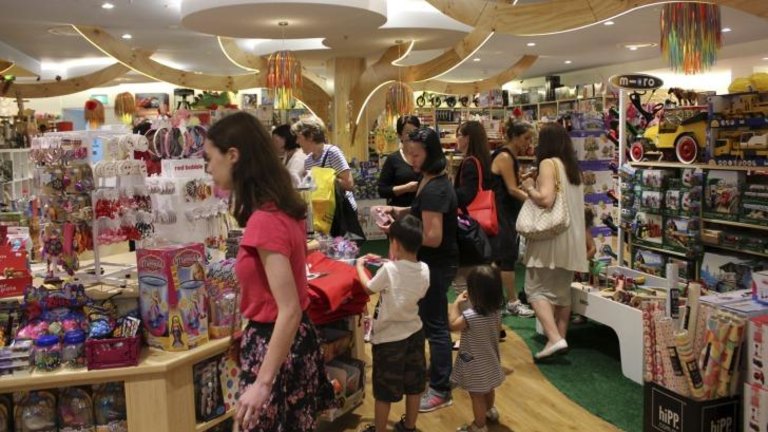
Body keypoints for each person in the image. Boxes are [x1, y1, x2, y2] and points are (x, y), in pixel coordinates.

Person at [204, 112, 335, 431]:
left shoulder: (265, 219)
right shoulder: (280, 208)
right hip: (288, 342)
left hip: (276, 347)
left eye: (210, 158)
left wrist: (263, 382)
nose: (208, 168)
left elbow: (287, 309)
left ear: (233, 155)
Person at [380, 126, 458, 413]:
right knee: (428, 321)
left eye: (416, 154)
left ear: (431, 153)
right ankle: (436, 377)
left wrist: (398, 232)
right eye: (408, 153)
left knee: (435, 325)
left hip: (436, 265)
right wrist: (396, 213)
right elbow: (419, 213)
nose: (411, 159)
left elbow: (433, 236)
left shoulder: (436, 186)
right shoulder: (428, 178)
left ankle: (441, 388)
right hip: (429, 264)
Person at [520, 122, 588, 360]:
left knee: (534, 289)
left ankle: (555, 338)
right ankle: (558, 340)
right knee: (560, 293)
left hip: (551, 238)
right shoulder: (573, 170)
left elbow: (545, 199)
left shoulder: (548, 164)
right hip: (572, 239)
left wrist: (529, 187)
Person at [355, 215, 430, 432]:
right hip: (415, 333)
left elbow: (368, 287)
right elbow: (409, 280)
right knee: (415, 386)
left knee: (384, 391)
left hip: (389, 339)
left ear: (395, 244)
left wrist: (360, 264)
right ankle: (409, 426)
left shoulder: (389, 271)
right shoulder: (425, 268)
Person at [449, 265, 505, 432]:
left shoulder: (470, 316)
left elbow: (452, 325)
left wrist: (456, 305)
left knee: (476, 394)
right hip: (490, 358)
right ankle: (490, 411)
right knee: (488, 388)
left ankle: (479, 426)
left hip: (474, 362)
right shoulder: (496, 312)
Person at [491, 120, 536, 317]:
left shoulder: (508, 156)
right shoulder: (505, 156)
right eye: (526, 138)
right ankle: (512, 302)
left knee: (499, 258)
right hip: (502, 212)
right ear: (515, 136)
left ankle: (496, 299)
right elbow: (511, 189)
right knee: (506, 257)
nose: (528, 143)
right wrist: (536, 201)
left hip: (504, 211)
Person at [293, 117, 356, 210]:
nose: (297, 142)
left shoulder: (332, 153)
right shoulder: (308, 161)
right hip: (323, 213)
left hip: (341, 213)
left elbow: (349, 184)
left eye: (299, 137)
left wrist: (322, 178)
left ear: (310, 136)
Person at [377, 115, 421, 207]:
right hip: (399, 214)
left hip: (424, 212)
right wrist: (406, 188)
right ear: (400, 135)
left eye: (415, 132)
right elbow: (382, 190)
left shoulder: (425, 156)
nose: (412, 135)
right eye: (408, 132)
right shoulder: (393, 159)